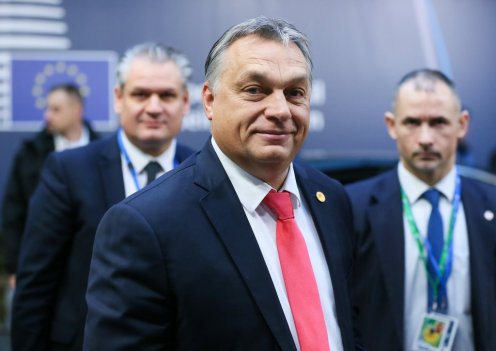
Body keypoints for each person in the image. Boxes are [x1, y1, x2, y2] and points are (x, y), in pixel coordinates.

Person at [84, 16, 361, 351]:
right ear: (210, 101)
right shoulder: (146, 225)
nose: (280, 110)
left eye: (294, 92)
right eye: (255, 90)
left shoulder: (331, 199)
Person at [11, 42, 195, 351]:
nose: (153, 107)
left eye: (166, 95)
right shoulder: (68, 171)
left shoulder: (202, 171)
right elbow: (36, 283)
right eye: (140, 94)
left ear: (185, 102)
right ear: (118, 98)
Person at [346, 69, 496, 351]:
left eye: (438, 122)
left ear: (462, 125)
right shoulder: (354, 209)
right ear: (392, 125)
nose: (426, 138)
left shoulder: (491, 207)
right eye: (412, 122)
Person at [1, 83, 99, 328]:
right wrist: (14, 268)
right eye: (47, 108)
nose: (47, 116)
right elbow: (14, 213)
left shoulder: (106, 151)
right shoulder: (31, 153)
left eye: (56, 109)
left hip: (93, 269)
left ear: (77, 110)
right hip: (40, 267)